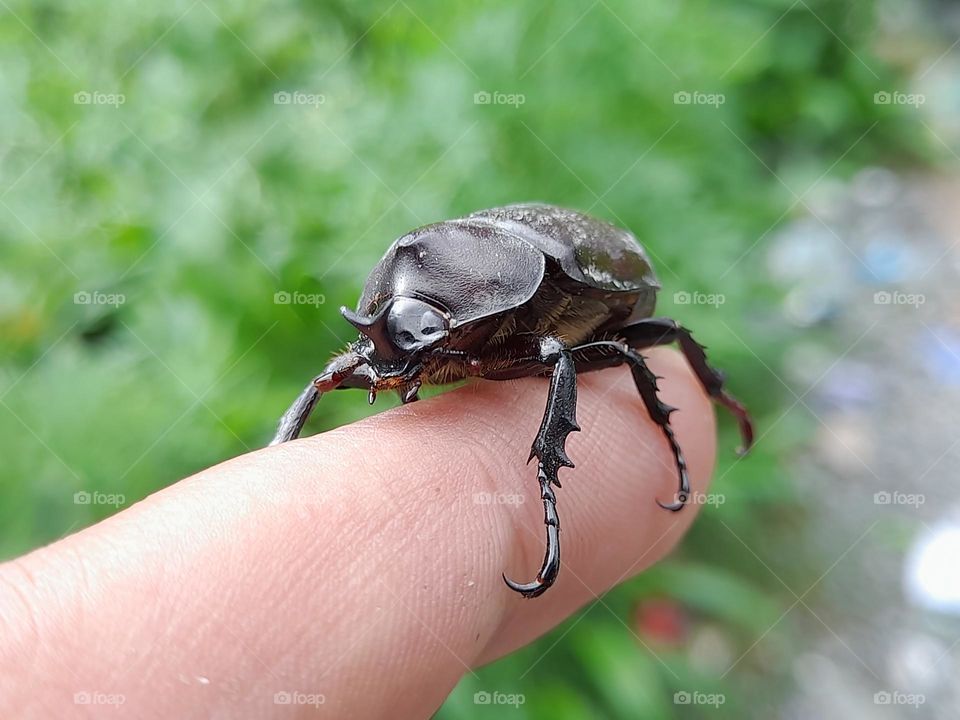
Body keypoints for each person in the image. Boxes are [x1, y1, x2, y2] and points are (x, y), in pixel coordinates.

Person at [0, 348, 717, 718]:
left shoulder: (528, 323)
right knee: (327, 380)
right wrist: (267, 484)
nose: (395, 360)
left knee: (602, 352)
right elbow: (330, 376)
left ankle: (574, 468)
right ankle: (273, 464)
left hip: (575, 299)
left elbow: (570, 351)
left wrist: (543, 488)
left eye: (421, 336)